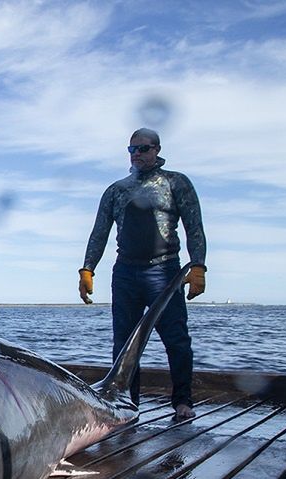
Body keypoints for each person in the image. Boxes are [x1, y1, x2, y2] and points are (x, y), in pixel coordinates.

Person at [79, 127, 206, 422]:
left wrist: (197, 265)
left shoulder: (176, 183)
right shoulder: (116, 190)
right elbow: (99, 233)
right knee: (123, 343)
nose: (137, 154)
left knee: (176, 339)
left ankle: (183, 401)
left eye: (144, 149)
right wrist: (87, 268)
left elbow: (194, 227)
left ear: (157, 150)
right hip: (125, 272)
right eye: (132, 149)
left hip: (164, 272)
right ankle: (127, 403)